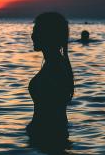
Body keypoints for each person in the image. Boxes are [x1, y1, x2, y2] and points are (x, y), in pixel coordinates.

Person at [27, 12, 74, 151]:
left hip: (49, 137)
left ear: (49, 35)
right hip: (47, 136)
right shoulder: (55, 64)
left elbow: (52, 109)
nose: (32, 36)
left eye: (37, 32)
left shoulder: (56, 68)